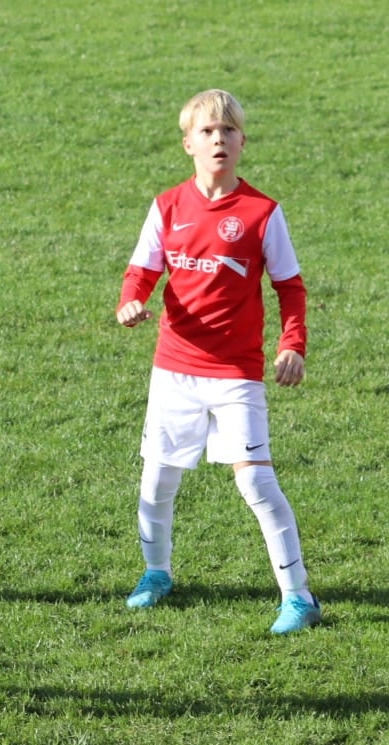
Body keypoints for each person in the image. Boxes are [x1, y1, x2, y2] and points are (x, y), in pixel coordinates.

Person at [115, 89, 320, 636]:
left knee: (257, 485)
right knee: (156, 481)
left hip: (235, 375)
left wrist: (292, 344)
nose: (218, 139)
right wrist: (130, 301)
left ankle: (299, 598)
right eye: (207, 131)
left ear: (242, 142)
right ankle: (156, 573)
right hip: (174, 370)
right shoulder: (167, 206)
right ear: (188, 143)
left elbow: (290, 287)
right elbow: (141, 272)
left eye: (228, 130)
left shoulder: (262, 213)